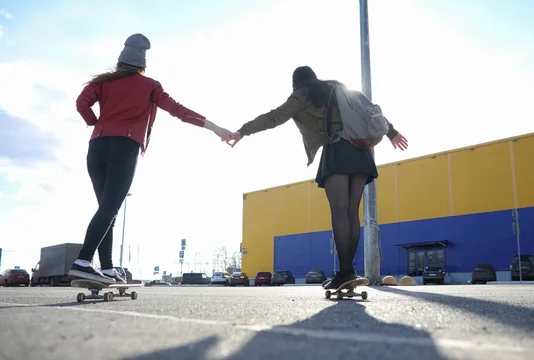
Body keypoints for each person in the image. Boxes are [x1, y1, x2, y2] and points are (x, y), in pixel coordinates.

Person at [69, 33, 232, 285]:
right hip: (124, 148)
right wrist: (215, 128)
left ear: (120, 61)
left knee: (107, 209)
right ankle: (83, 261)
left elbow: (82, 103)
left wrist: (97, 123)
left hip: (97, 147)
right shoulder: (150, 86)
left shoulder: (103, 82)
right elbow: (178, 110)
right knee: (109, 208)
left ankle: (109, 269)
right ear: (142, 65)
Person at [227, 66, 408, 290]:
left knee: (340, 211)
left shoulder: (303, 94)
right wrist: (391, 132)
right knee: (352, 212)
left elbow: (275, 117)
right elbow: (368, 109)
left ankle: (345, 272)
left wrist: (242, 131)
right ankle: (347, 270)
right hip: (361, 153)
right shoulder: (337, 86)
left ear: (297, 83)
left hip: (338, 151)